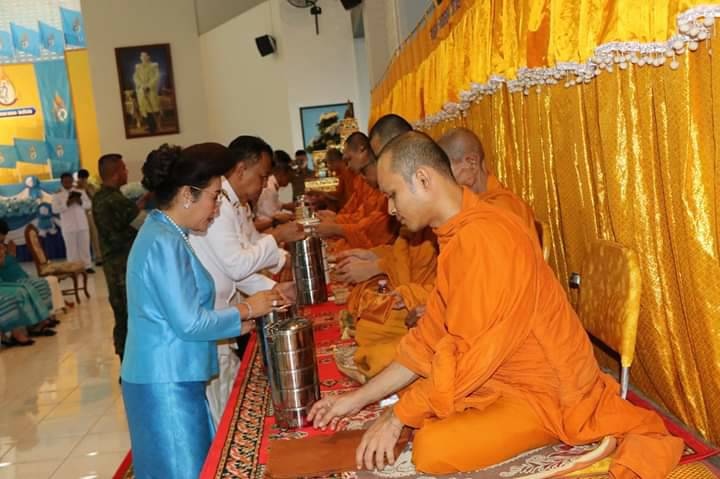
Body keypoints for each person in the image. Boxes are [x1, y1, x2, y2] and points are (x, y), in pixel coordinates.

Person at [309, 132, 683, 477]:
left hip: (548, 393)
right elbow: (428, 338)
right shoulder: (455, 236)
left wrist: (397, 418)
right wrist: (356, 400)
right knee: (413, 401)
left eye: (392, 194)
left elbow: (472, 354)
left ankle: (553, 439)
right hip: (498, 377)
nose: (390, 209)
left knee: (431, 447)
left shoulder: (486, 237)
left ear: (423, 179)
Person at [121, 143, 289, 479]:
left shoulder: (169, 233)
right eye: (214, 197)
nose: (217, 208)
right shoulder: (164, 241)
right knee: (183, 470)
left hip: (174, 372)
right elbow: (190, 323)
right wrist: (246, 309)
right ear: (187, 195)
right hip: (165, 379)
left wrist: (234, 323)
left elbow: (182, 311)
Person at [190, 136, 302, 425]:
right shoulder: (220, 205)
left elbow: (240, 263)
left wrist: (275, 290)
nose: (264, 184)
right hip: (213, 315)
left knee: (227, 392)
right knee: (219, 404)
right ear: (240, 169)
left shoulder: (233, 202)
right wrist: (277, 238)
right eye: (261, 176)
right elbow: (237, 266)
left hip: (226, 312)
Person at [92, 154, 151, 361]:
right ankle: (130, 363)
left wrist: (143, 201)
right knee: (129, 315)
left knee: (122, 314)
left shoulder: (101, 196)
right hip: (122, 267)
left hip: (113, 264)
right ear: (117, 172)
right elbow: (143, 224)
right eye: (124, 168)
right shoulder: (115, 200)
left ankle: (125, 361)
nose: (127, 172)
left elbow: (127, 214)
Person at [315, 133, 397, 251]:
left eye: (348, 160)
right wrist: (335, 218)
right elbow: (359, 214)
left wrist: (336, 227)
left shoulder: (384, 188)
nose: (348, 167)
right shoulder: (365, 180)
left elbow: (370, 231)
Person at [52, 172, 94, 273]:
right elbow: (55, 210)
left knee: (84, 247)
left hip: (82, 224)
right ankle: (73, 268)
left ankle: (87, 266)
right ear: (62, 182)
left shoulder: (80, 191)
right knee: (71, 249)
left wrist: (80, 202)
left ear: (72, 181)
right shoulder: (57, 194)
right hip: (68, 226)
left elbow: (89, 204)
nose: (68, 183)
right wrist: (66, 204)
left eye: (70, 181)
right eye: (66, 182)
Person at [255, 149, 295, 231]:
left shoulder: (272, 185)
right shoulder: (269, 187)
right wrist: (291, 217)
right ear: (281, 172)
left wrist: (286, 206)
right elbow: (271, 216)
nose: (290, 181)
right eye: (289, 176)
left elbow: (274, 206)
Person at [76, 169, 103, 265]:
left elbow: (95, 199)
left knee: (94, 235)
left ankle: (98, 257)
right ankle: (84, 260)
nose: (83, 180)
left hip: (90, 213)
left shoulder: (91, 186)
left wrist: (87, 189)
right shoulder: (74, 188)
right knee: (82, 238)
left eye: (84, 179)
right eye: (81, 179)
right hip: (79, 215)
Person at [133, 51, 161, 133]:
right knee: (144, 108)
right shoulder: (138, 67)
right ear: (140, 58)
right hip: (141, 91)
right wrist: (142, 85)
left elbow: (156, 76)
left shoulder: (154, 65)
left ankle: (154, 127)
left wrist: (148, 86)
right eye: (142, 56)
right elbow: (135, 77)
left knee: (152, 107)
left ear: (148, 57)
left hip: (151, 90)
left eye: (145, 56)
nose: (143, 58)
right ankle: (150, 126)